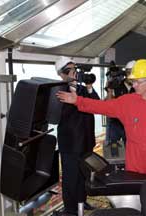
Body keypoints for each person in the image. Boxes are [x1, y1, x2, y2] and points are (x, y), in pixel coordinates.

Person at [56, 59, 146, 175]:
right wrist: (78, 101)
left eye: (137, 82)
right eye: (133, 81)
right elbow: (102, 106)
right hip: (134, 166)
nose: (134, 85)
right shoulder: (127, 102)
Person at [54, 57, 100, 216]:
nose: (75, 73)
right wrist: (73, 94)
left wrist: (88, 88)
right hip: (71, 144)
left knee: (83, 176)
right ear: (63, 74)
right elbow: (61, 114)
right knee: (70, 179)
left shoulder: (82, 88)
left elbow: (97, 104)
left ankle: (82, 201)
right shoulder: (58, 91)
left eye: (75, 70)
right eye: (72, 70)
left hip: (86, 141)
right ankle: (71, 210)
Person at [105, 60, 135, 154]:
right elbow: (108, 105)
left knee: (130, 150)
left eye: (133, 72)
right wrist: (109, 91)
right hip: (116, 124)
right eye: (129, 72)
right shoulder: (117, 86)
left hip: (132, 125)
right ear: (125, 73)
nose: (131, 75)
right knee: (113, 151)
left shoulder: (139, 88)